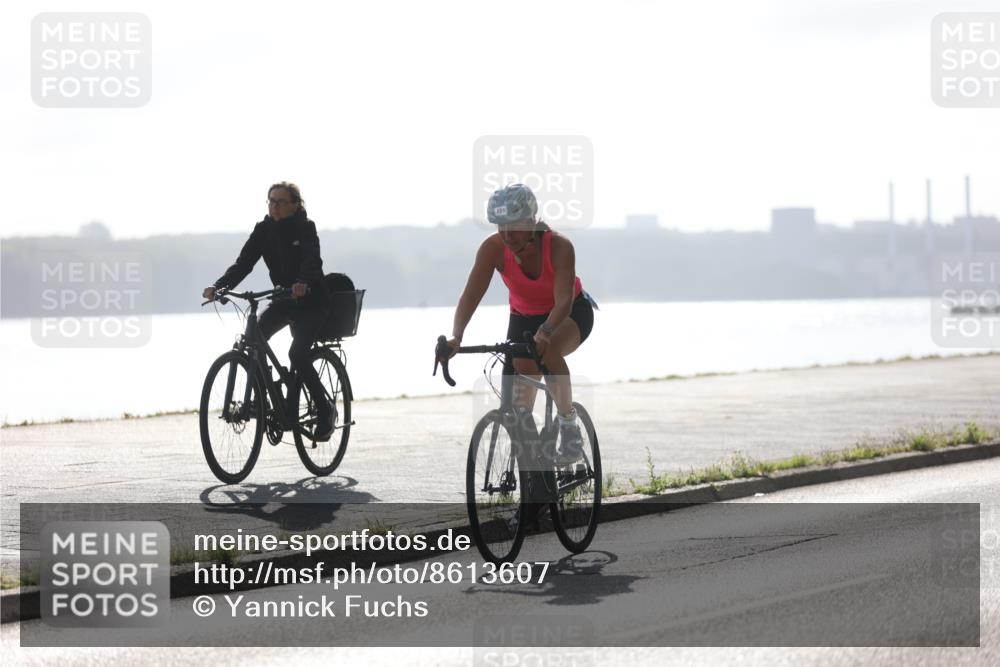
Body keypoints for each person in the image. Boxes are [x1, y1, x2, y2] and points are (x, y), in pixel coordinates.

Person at [446, 183, 596, 463]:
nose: (506, 235)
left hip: (569, 313)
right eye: (499, 227)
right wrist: (457, 337)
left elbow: (563, 302)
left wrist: (547, 331)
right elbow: (470, 296)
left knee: (547, 352)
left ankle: (569, 427)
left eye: (512, 227)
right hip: (524, 318)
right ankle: (534, 484)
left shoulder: (559, 246)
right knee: (517, 410)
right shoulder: (492, 248)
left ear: (531, 221)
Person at [202, 182, 335, 441]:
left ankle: (325, 409)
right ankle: (265, 399)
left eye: (280, 202)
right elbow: (244, 264)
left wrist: (303, 283)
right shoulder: (264, 230)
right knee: (255, 338)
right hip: (283, 299)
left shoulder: (306, 228)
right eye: (270, 201)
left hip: (312, 301)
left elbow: (312, 260)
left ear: (295, 205)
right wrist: (220, 286)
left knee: (297, 353)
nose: (274, 206)